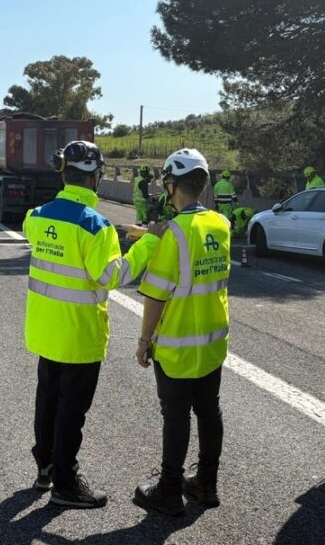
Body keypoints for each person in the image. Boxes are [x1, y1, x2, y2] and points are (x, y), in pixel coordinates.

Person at [24, 140, 167, 509]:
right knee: (72, 410)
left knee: (48, 401)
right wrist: (148, 243)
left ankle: (45, 468)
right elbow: (111, 276)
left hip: (44, 328)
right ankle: (66, 485)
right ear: (96, 176)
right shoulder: (96, 227)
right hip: (79, 334)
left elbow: (54, 245)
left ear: (63, 171)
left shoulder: (36, 216)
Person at [132, 148, 230, 517]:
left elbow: (156, 295)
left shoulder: (174, 232)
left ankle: (169, 490)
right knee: (209, 410)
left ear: (172, 185)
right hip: (213, 340)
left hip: (176, 345)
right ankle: (207, 483)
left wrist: (144, 341)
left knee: (176, 415)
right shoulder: (220, 223)